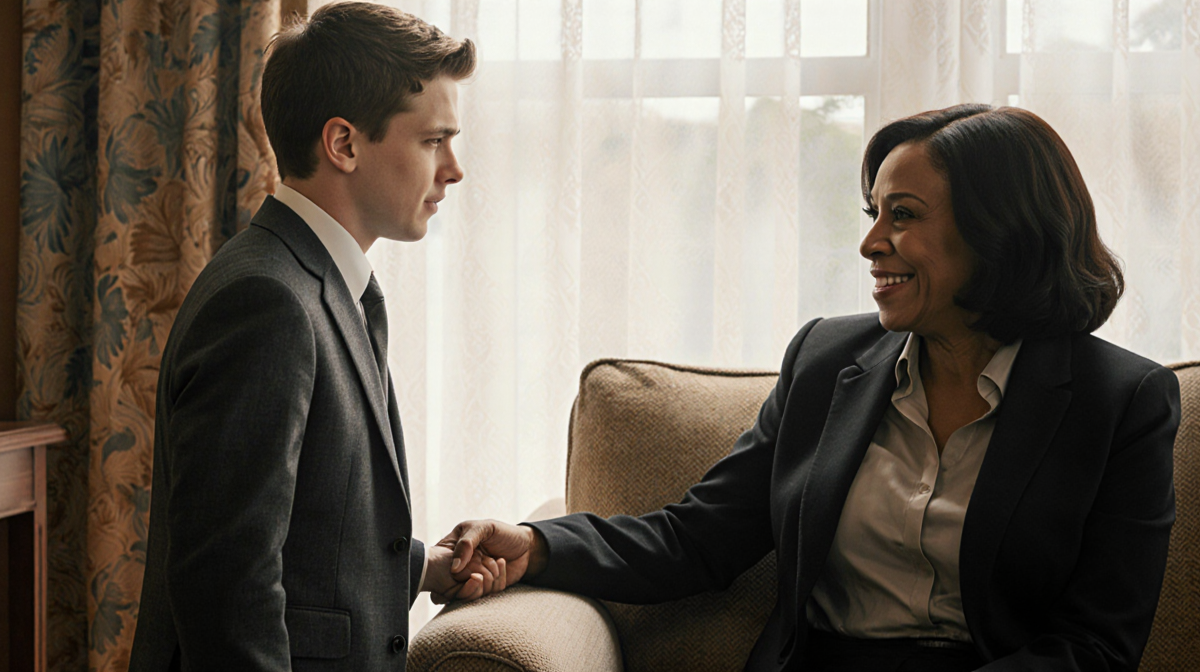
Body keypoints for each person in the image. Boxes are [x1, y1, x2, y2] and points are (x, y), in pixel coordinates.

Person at [440, 104, 1180, 672]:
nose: (870, 243)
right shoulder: (828, 360)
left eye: (903, 215)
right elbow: (698, 538)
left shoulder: (1122, 401)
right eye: (874, 214)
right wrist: (537, 545)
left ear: (1002, 231)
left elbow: (1096, 645)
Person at [129, 4, 500, 669]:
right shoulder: (266, 302)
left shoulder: (317, 283)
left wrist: (424, 567)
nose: (454, 168)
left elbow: (308, 533)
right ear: (344, 144)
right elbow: (227, 584)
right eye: (433, 140)